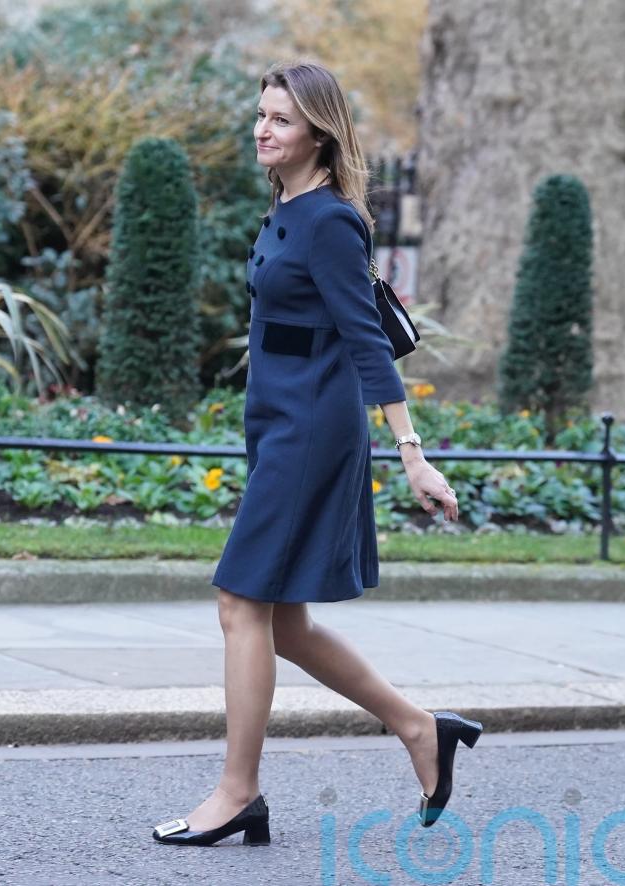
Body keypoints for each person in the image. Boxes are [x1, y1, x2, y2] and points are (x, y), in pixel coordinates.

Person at [152, 60, 483, 848]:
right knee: (286, 624)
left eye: (282, 120)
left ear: (320, 134)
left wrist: (411, 452)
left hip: (311, 431)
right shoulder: (285, 205)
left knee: (239, 603)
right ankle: (420, 728)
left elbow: (368, 342)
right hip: (277, 424)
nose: (263, 130)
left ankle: (238, 792)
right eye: (261, 115)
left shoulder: (331, 221)